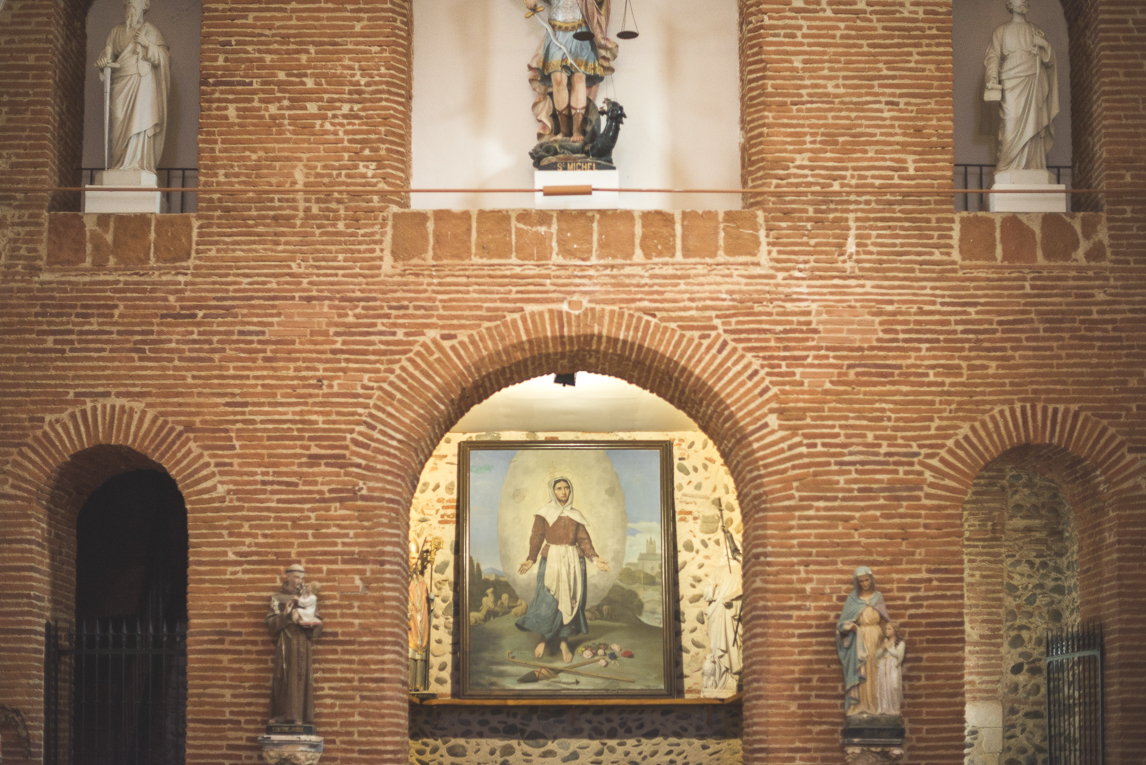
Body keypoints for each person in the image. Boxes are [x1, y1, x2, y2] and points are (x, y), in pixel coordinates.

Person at [516, 477, 610, 664]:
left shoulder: (575, 515)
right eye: (559, 488)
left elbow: (584, 540)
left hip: (573, 562)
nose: (563, 492)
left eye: (566, 488)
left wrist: (594, 558)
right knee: (549, 601)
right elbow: (536, 537)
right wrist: (530, 559)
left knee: (571, 603)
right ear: (553, 491)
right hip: (551, 560)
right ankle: (544, 638)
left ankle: (564, 642)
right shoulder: (544, 513)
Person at [524, 0, 617, 143]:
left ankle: (577, 130)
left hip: (581, 31)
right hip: (556, 32)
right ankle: (563, 131)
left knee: (579, 79)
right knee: (558, 80)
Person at [95, 0, 171, 173]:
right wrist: (103, 60)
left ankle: (139, 164)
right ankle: (118, 164)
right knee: (119, 122)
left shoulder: (151, 31)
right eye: (128, 2)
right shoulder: (115, 31)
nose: (130, 4)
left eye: (134, 2)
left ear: (144, 5)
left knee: (140, 121)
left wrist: (146, 43)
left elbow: (164, 58)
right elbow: (107, 54)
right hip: (120, 82)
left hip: (143, 82)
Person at [983, 0, 1059, 172]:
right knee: (1011, 123)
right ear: (1010, 4)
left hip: (1033, 80)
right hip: (1011, 82)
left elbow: (1049, 60)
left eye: (1026, 0)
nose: (1023, 2)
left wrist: (1044, 45)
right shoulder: (1000, 31)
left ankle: (1033, 165)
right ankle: (1007, 167)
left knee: (1033, 122)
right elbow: (992, 57)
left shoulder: (1035, 30)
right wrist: (992, 77)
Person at [266, 564, 323, 725]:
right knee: (282, 678)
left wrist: (310, 625)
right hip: (285, 642)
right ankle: (280, 715)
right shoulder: (278, 598)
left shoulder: (307, 598)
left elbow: (318, 623)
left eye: (302, 578)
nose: (299, 581)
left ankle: (299, 717)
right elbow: (270, 625)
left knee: (300, 678)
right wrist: (285, 616)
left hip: (301, 644)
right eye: (296, 577)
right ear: (288, 577)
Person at [836, 566, 892, 717]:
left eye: (867, 580)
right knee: (863, 671)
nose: (865, 583)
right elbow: (841, 625)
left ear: (872, 580)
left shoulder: (878, 597)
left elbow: (885, 621)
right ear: (857, 582)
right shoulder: (852, 600)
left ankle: (878, 705)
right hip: (860, 640)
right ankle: (861, 706)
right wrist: (851, 627)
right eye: (861, 581)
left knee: (877, 671)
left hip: (877, 638)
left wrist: (888, 639)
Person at [702, 532, 743, 694]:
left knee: (732, 643)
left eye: (730, 548)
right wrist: (711, 589)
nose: (727, 551)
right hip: (717, 611)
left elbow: (745, 588)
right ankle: (718, 680)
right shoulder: (718, 569)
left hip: (731, 610)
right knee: (716, 645)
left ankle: (731, 680)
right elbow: (707, 588)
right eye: (726, 548)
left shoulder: (741, 568)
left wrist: (731, 597)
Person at [875, 622, 906, 716]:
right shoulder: (884, 642)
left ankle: (894, 708)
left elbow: (899, 655)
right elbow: (877, 655)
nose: (886, 631)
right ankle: (884, 708)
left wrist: (888, 648)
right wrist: (883, 649)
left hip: (893, 667)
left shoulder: (900, 643)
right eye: (886, 629)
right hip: (883, 666)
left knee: (893, 686)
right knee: (883, 686)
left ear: (895, 631)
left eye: (889, 629)